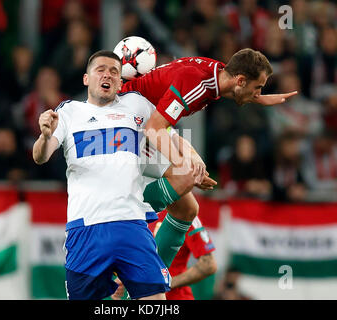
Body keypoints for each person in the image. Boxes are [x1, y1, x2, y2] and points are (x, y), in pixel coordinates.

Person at [32, 50, 202, 300]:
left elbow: (173, 138)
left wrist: (194, 157)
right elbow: (41, 156)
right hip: (85, 227)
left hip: (131, 224)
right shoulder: (68, 112)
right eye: (100, 69)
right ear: (86, 78)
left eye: (114, 71)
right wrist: (45, 135)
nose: (107, 74)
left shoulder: (137, 105)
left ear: (121, 81)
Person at [120, 47, 298, 270]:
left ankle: (152, 274)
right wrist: (183, 163)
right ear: (241, 80)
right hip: (128, 121)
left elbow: (163, 123)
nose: (258, 92)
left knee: (187, 209)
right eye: (258, 87)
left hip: (146, 116)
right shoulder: (198, 84)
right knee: (185, 177)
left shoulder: (217, 73)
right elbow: (155, 128)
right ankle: (124, 212)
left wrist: (257, 98)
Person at [111, 210, 217, 300]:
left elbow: (208, 264)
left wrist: (166, 283)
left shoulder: (185, 213)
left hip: (177, 297)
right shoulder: (137, 212)